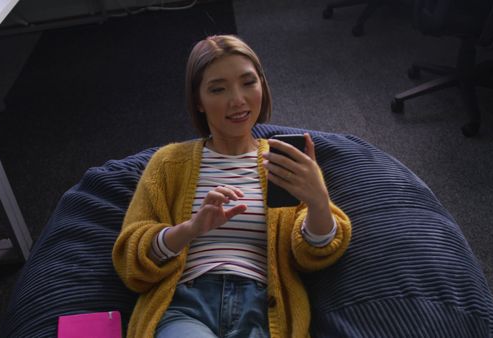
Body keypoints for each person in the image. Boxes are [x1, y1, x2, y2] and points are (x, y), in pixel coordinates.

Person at [113, 34, 351, 338]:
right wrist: (189, 229)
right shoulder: (169, 163)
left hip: (265, 309)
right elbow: (129, 260)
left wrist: (318, 200)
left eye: (248, 82)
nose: (237, 99)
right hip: (187, 304)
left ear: (262, 85)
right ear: (198, 101)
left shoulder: (284, 161)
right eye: (218, 89)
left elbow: (312, 254)